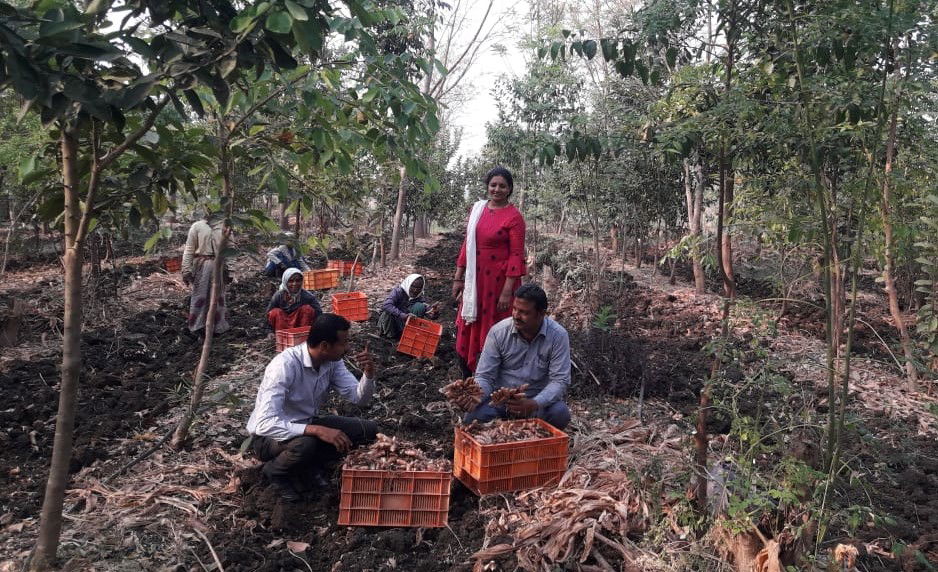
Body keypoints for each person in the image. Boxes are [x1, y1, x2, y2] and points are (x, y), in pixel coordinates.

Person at [246, 313, 378, 502]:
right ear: (324, 346)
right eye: (343, 343)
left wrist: (369, 374)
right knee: (306, 444)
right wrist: (317, 430)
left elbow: (359, 398)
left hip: (306, 424)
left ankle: (307, 466)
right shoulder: (284, 366)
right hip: (269, 438)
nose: (347, 348)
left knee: (367, 430)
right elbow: (265, 424)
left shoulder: (332, 362)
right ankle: (275, 472)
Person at [456, 284, 571, 430]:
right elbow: (485, 376)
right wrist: (475, 396)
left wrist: (534, 403)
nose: (516, 315)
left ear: (541, 313)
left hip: (536, 403)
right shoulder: (498, 332)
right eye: (515, 309)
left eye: (524, 312)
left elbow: (560, 380)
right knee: (473, 418)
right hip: (500, 403)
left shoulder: (558, 336)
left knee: (560, 414)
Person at [453, 166, 527, 374]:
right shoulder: (478, 209)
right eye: (493, 185)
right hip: (474, 281)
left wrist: (507, 290)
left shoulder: (514, 217)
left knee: (495, 324)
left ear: (510, 189)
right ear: (487, 186)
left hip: (498, 283)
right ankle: (469, 369)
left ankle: (492, 372)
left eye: (502, 186)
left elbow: (516, 254)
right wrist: (458, 278)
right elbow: (468, 244)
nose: (497, 189)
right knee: (470, 318)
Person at [181, 211, 230, 335]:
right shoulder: (197, 226)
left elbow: (231, 249)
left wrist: (230, 270)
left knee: (218, 297)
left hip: (219, 265)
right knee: (200, 295)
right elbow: (189, 249)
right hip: (202, 265)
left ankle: (218, 327)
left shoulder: (224, 226)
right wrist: (186, 270)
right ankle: (197, 326)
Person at [377, 273, 439, 339]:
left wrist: (434, 313)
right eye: (413, 286)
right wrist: (403, 315)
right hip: (392, 324)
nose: (415, 290)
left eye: (419, 288)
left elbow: (428, 313)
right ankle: (390, 336)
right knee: (388, 312)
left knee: (420, 307)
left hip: (404, 325)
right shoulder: (398, 292)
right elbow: (386, 305)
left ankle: (409, 335)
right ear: (408, 284)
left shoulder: (419, 297)